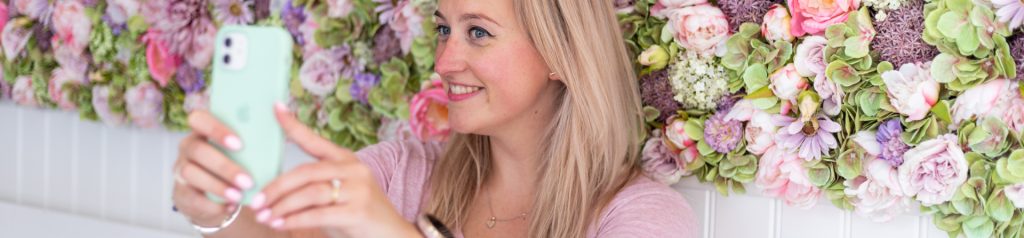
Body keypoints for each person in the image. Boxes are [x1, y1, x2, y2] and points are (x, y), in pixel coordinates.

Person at [172, 0, 697, 237]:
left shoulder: (641, 218)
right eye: (444, 29)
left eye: (479, 33)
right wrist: (216, 207)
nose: (444, 63)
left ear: (562, 53)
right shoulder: (403, 171)